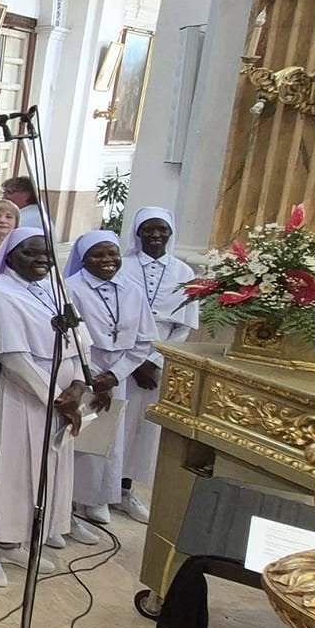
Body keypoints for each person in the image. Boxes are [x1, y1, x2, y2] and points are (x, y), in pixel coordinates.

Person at [0, 223, 103, 592]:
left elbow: (80, 344)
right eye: (31, 252)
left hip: (58, 401)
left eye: (46, 253)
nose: (41, 258)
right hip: (18, 400)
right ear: (9, 256)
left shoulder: (57, 290)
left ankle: (14, 540)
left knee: (39, 475)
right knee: (7, 473)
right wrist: (57, 399)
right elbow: (14, 359)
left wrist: (78, 386)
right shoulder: (0, 295)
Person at [66, 230, 150, 532]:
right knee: (80, 442)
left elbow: (144, 339)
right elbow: (70, 337)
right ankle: (66, 508)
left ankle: (95, 499)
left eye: (112, 253)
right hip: (82, 374)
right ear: (83, 258)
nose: (107, 260)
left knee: (111, 442)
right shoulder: (71, 289)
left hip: (118, 374)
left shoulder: (132, 290)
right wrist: (91, 376)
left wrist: (116, 374)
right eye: (97, 255)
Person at [120, 207, 200, 509]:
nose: (155, 235)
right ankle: (99, 491)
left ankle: (127, 488)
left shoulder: (183, 272)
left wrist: (154, 360)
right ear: (137, 233)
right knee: (115, 424)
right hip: (122, 356)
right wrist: (134, 360)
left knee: (144, 429)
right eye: (148, 229)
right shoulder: (122, 266)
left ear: (170, 233)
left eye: (161, 230)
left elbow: (184, 326)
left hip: (159, 359)